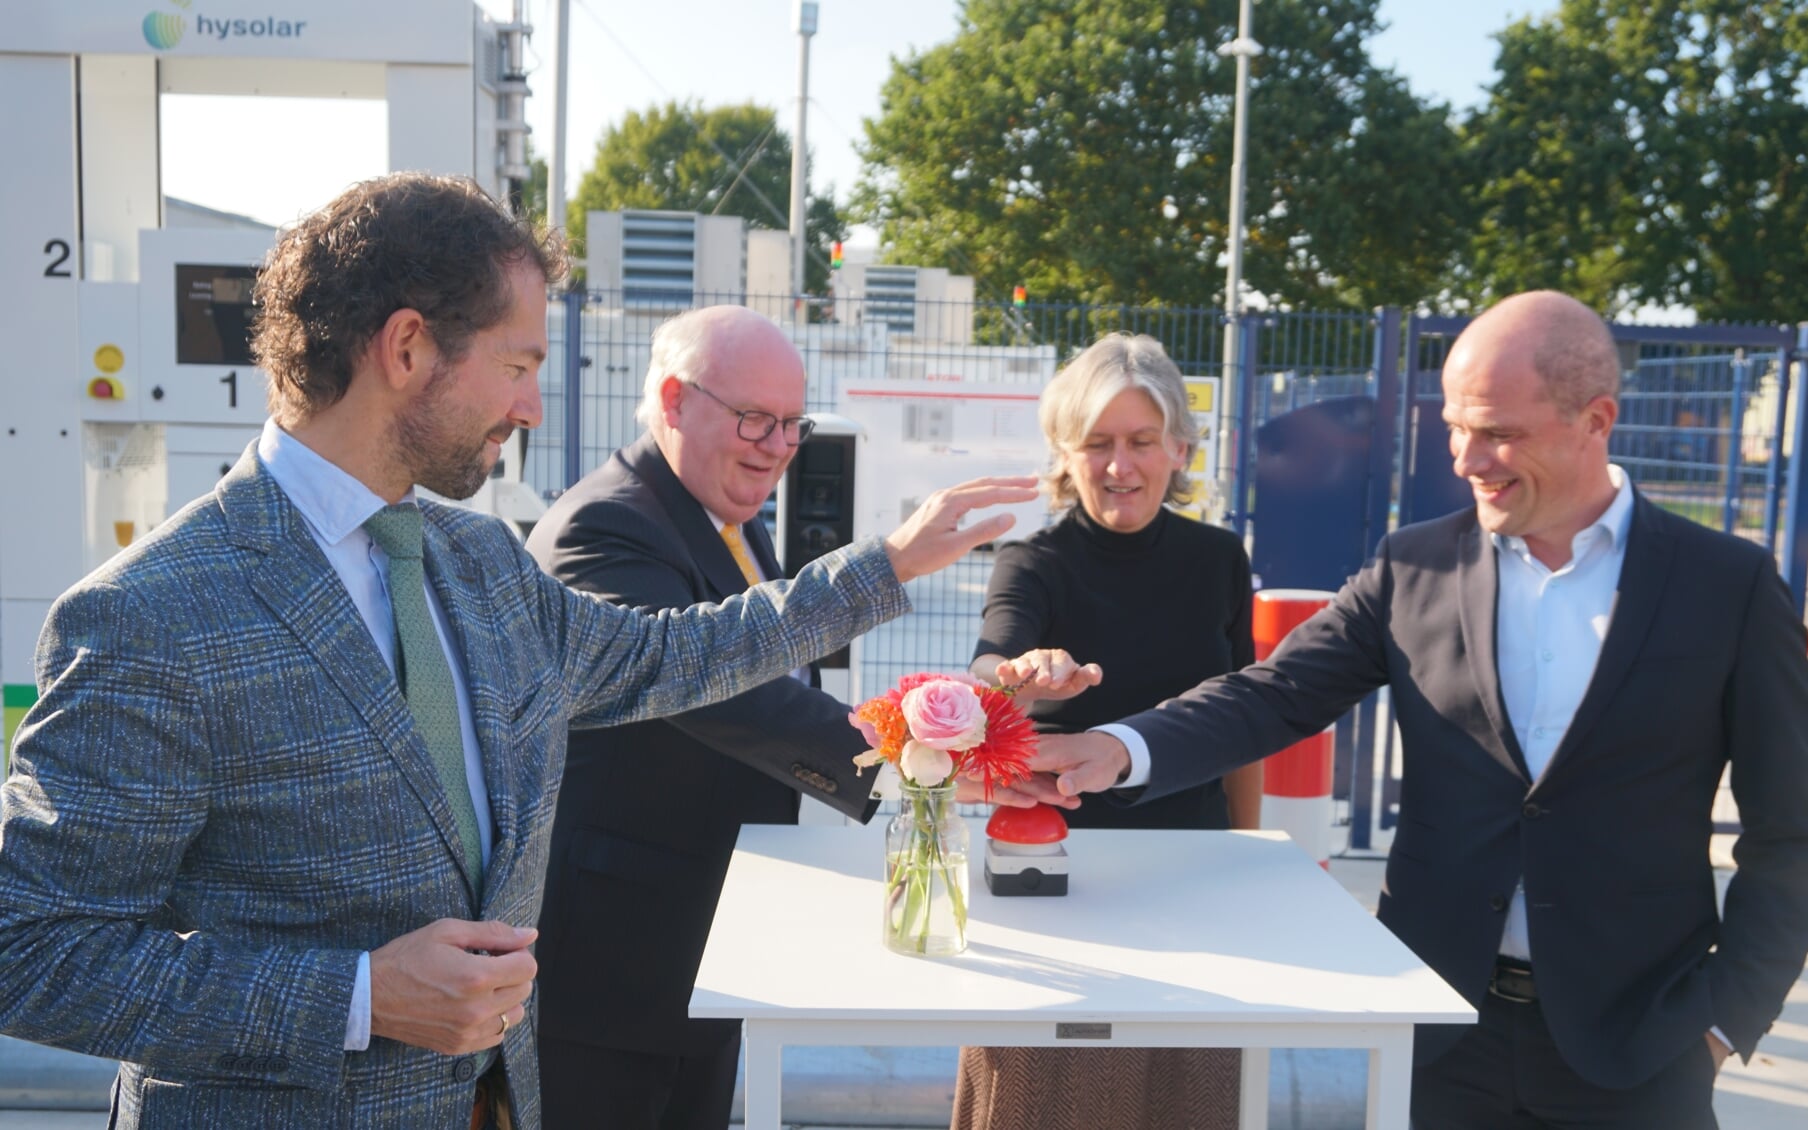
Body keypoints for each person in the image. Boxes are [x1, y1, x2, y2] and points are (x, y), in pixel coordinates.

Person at [0, 173, 1033, 1130]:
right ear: (406, 348)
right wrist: (359, 994)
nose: (534, 405)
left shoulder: (478, 558)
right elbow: (32, 948)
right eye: (520, 364)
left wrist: (888, 563)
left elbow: (670, 657)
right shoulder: (154, 613)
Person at [1030, 292, 1808, 1129]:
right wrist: (1118, 747)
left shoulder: (1726, 586)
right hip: (1439, 1035)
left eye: (1498, 432)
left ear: (1595, 419)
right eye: (1454, 426)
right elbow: (1274, 694)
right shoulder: (1415, 567)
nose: (1466, 458)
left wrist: (1722, 1020)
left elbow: (1794, 834)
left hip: (1643, 1047)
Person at [523, 305, 1087, 1128]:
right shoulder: (603, 527)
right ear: (675, 401)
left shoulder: (727, 516)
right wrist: (925, 764)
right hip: (616, 961)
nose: (779, 447)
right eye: (755, 418)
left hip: (702, 935)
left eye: (792, 424)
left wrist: (943, 739)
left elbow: (774, 686)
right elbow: (722, 690)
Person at [950, 332, 1260, 1130]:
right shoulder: (1032, 561)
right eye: (1098, 444)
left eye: (1141, 442)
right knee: (1045, 1102)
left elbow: (1243, 720)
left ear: (1179, 449)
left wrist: (1251, 857)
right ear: (1065, 450)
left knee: (1187, 1098)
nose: (1120, 466)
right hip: (1057, 880)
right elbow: (993, 660)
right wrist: (1022, 671)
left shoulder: (1221, 559)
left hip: (1194, 874)